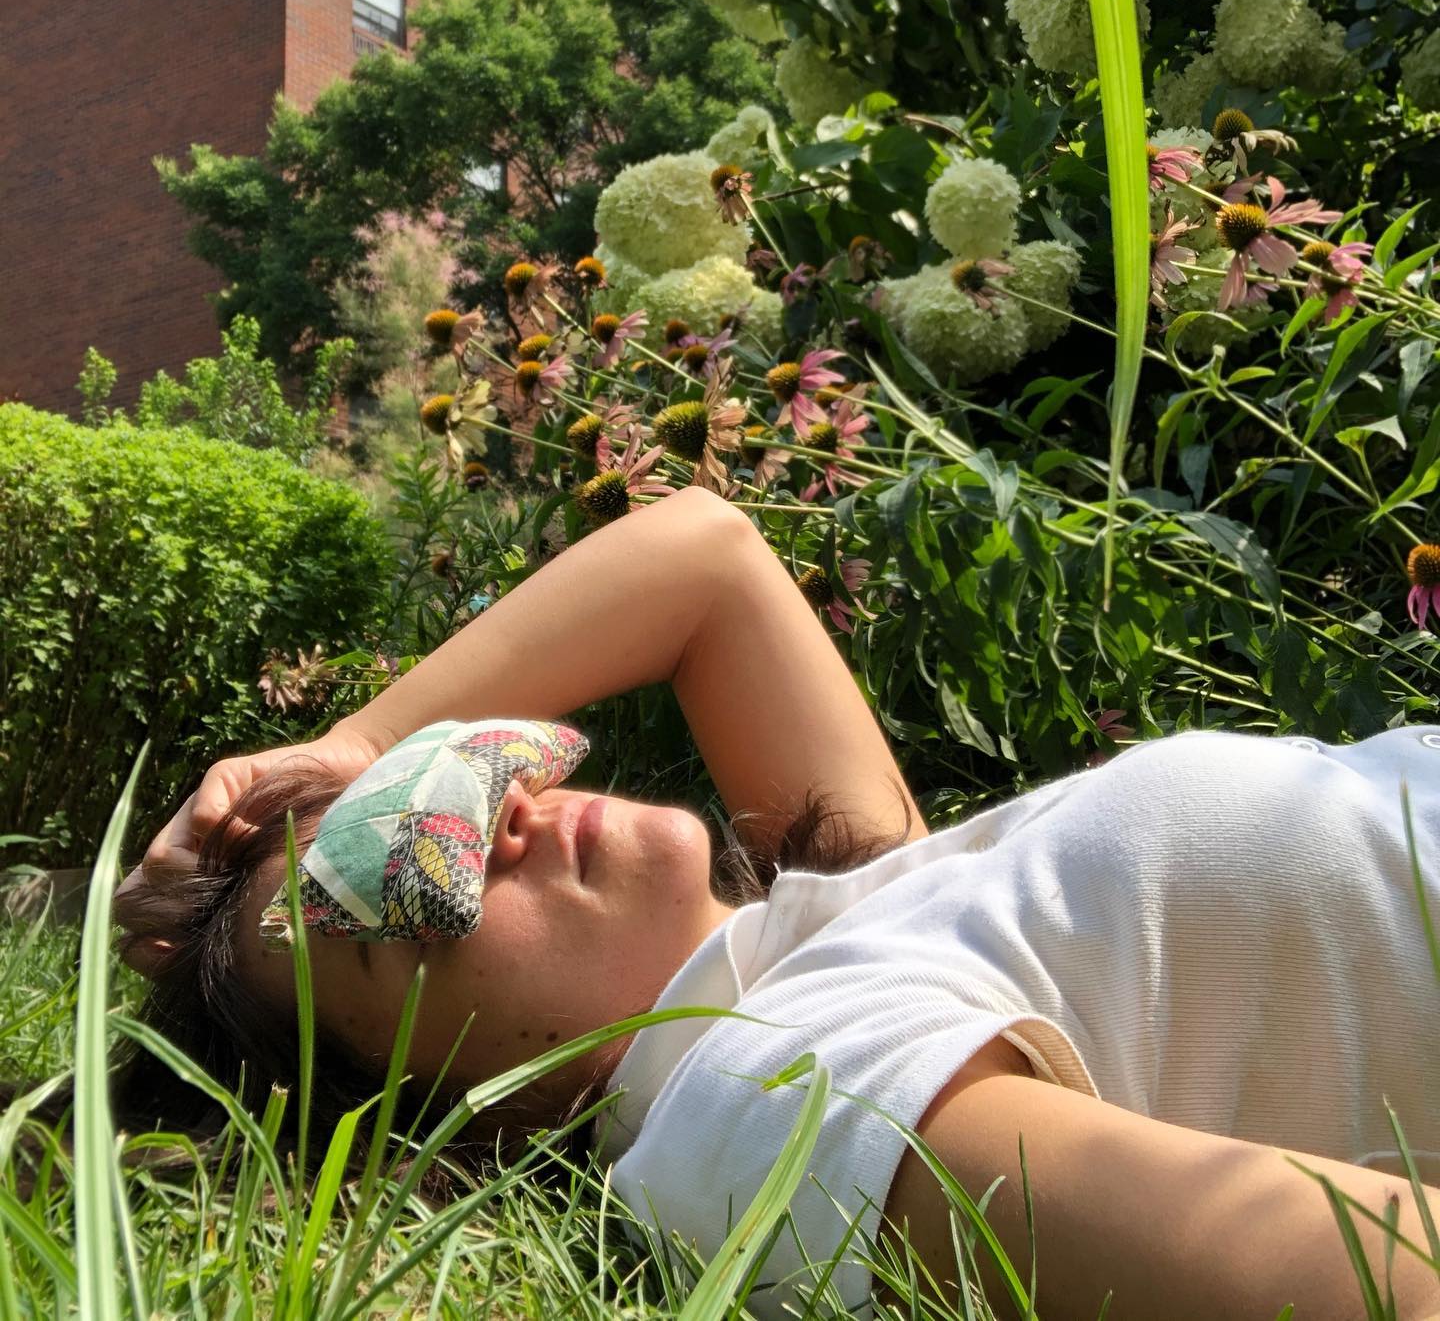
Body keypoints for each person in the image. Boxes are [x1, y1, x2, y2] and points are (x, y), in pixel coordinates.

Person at [112, 485, 1440, 1321]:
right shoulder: (775, 1091)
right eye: (398, 891)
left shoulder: (851, 918)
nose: (477, 820)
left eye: (417, 797)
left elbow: (704, 558)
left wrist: (350, 749)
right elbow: (1336, 1267)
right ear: (467, 1127)